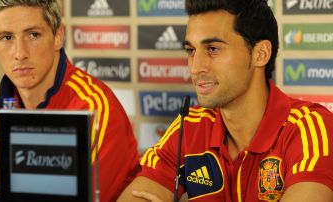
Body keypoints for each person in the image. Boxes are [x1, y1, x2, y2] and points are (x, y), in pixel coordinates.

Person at [118, 0, 333, 201]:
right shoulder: (190, 125)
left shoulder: (309, 128)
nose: (195, 67)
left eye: (213, 49)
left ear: (260, 54)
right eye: (191, 50)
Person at [0, 0, 139, 201]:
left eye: (33, 35)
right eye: (6, 37)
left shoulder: (94, 109)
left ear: (58, 36)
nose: (20, 54)